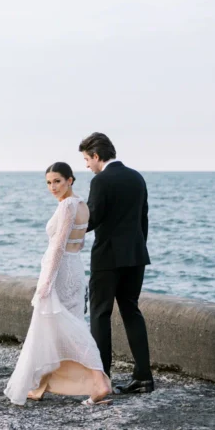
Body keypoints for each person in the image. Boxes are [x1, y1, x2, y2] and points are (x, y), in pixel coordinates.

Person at [4, 162, 112, 406]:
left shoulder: (67, 206)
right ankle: (42, 384)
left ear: (70, 180)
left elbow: (58, 245)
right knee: (61, 325)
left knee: (67, 327)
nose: (52, 187)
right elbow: (79, 243)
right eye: (48, 183)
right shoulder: (82, 205)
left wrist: (46, 282)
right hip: (75, 267)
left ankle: (99, 380)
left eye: (57, 181)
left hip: (61, 270)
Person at [79, 132, 154, 394]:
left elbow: (92, 219)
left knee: (100, 314)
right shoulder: (137, 177)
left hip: (108, 257)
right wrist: (137, 247)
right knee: (131, 311)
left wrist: (70, 221)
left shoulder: (101, 181)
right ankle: (144, 377)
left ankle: (102, 380)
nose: (87, 165)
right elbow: (143, 219)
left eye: (87, 160)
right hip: (135, 255)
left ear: (97, 156)